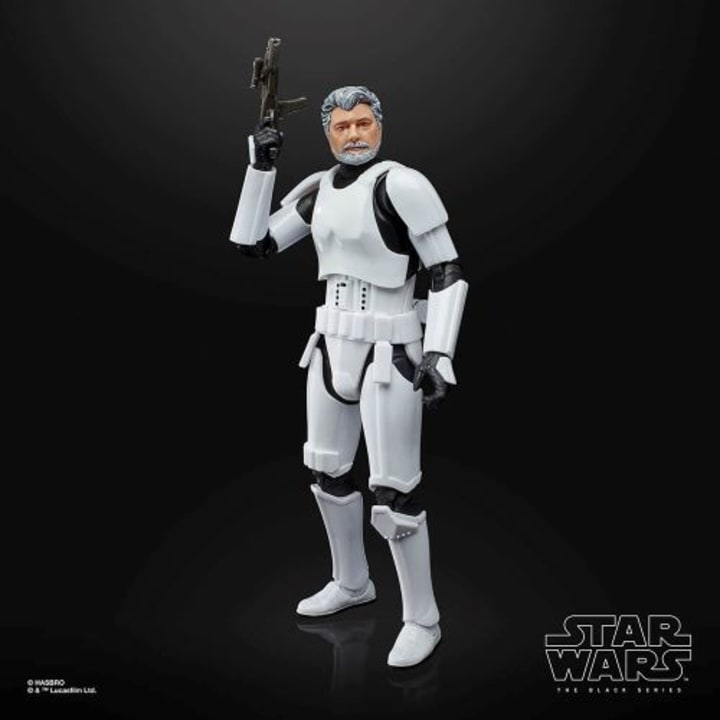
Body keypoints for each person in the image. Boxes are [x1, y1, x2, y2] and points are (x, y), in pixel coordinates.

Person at [230, 86, 468, 667]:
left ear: (379, 125)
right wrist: (260, 168)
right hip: (330, 346)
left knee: (394, 492)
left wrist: (439, 352)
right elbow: (254, 244)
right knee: (326, 472)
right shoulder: (318, 190)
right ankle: (352, 582)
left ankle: (423, 619)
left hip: (390, 351)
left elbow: (446, 269)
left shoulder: (401, 185)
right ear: (328, 133)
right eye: (342, 126)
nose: (354, 134)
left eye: (363, 123)